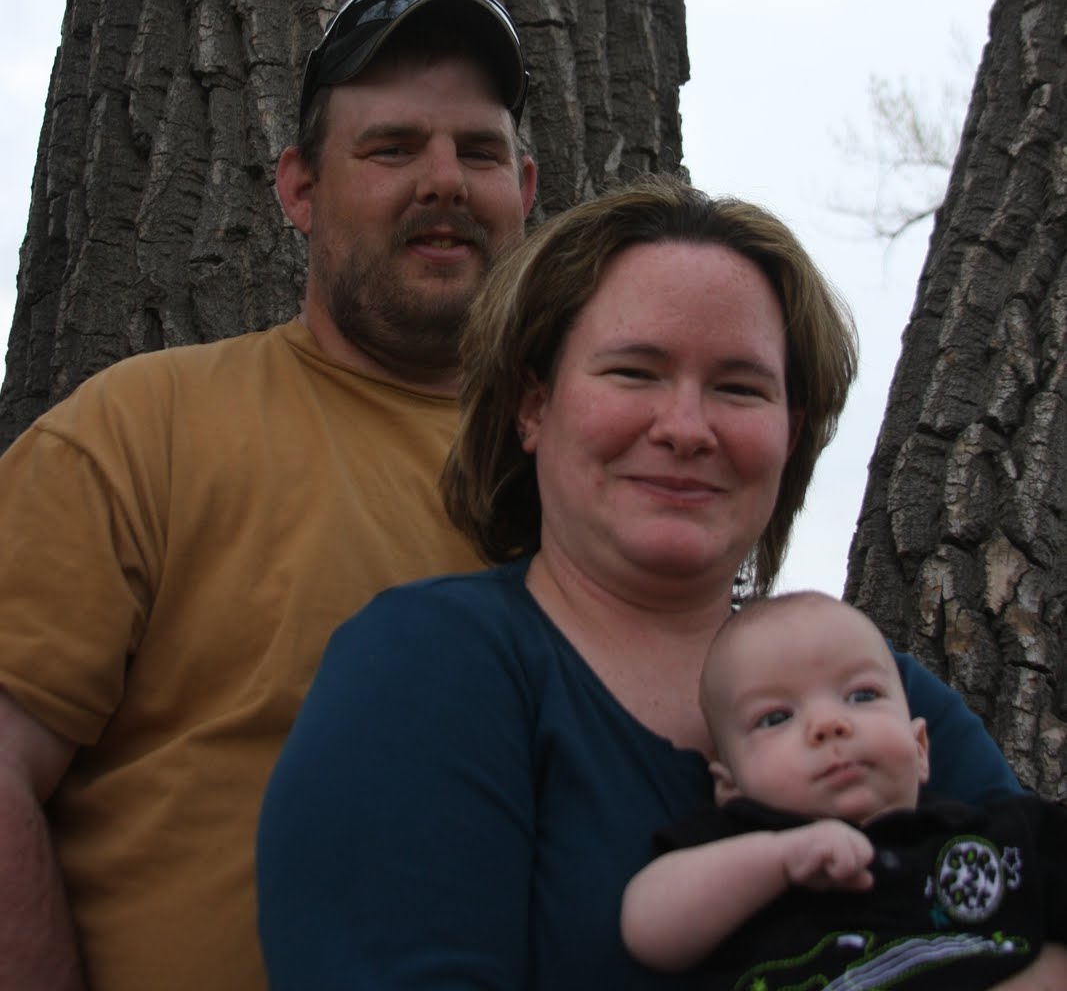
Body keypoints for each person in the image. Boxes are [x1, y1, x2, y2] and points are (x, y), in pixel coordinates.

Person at [257, 177, 1061, 990]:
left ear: (789, 435)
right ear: (533, 406)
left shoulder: (881, 691)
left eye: (739, 387)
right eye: (634, 372)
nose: (685, 429)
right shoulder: (426, 662)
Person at [0, 0, 537, 991]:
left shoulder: (589, 479)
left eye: (478, 152)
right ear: (299, 189)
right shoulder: (141, 428)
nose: (444, 182)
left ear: (526, 188)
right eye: (390, 149)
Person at [621, 592, 1067, 986]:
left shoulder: (1000, 836)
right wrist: (780, 860)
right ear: (730, 785)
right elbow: (649, 929)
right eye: (776, 718)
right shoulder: (737, 847)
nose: (829, 723)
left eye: (861, 696)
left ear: (920, 747)